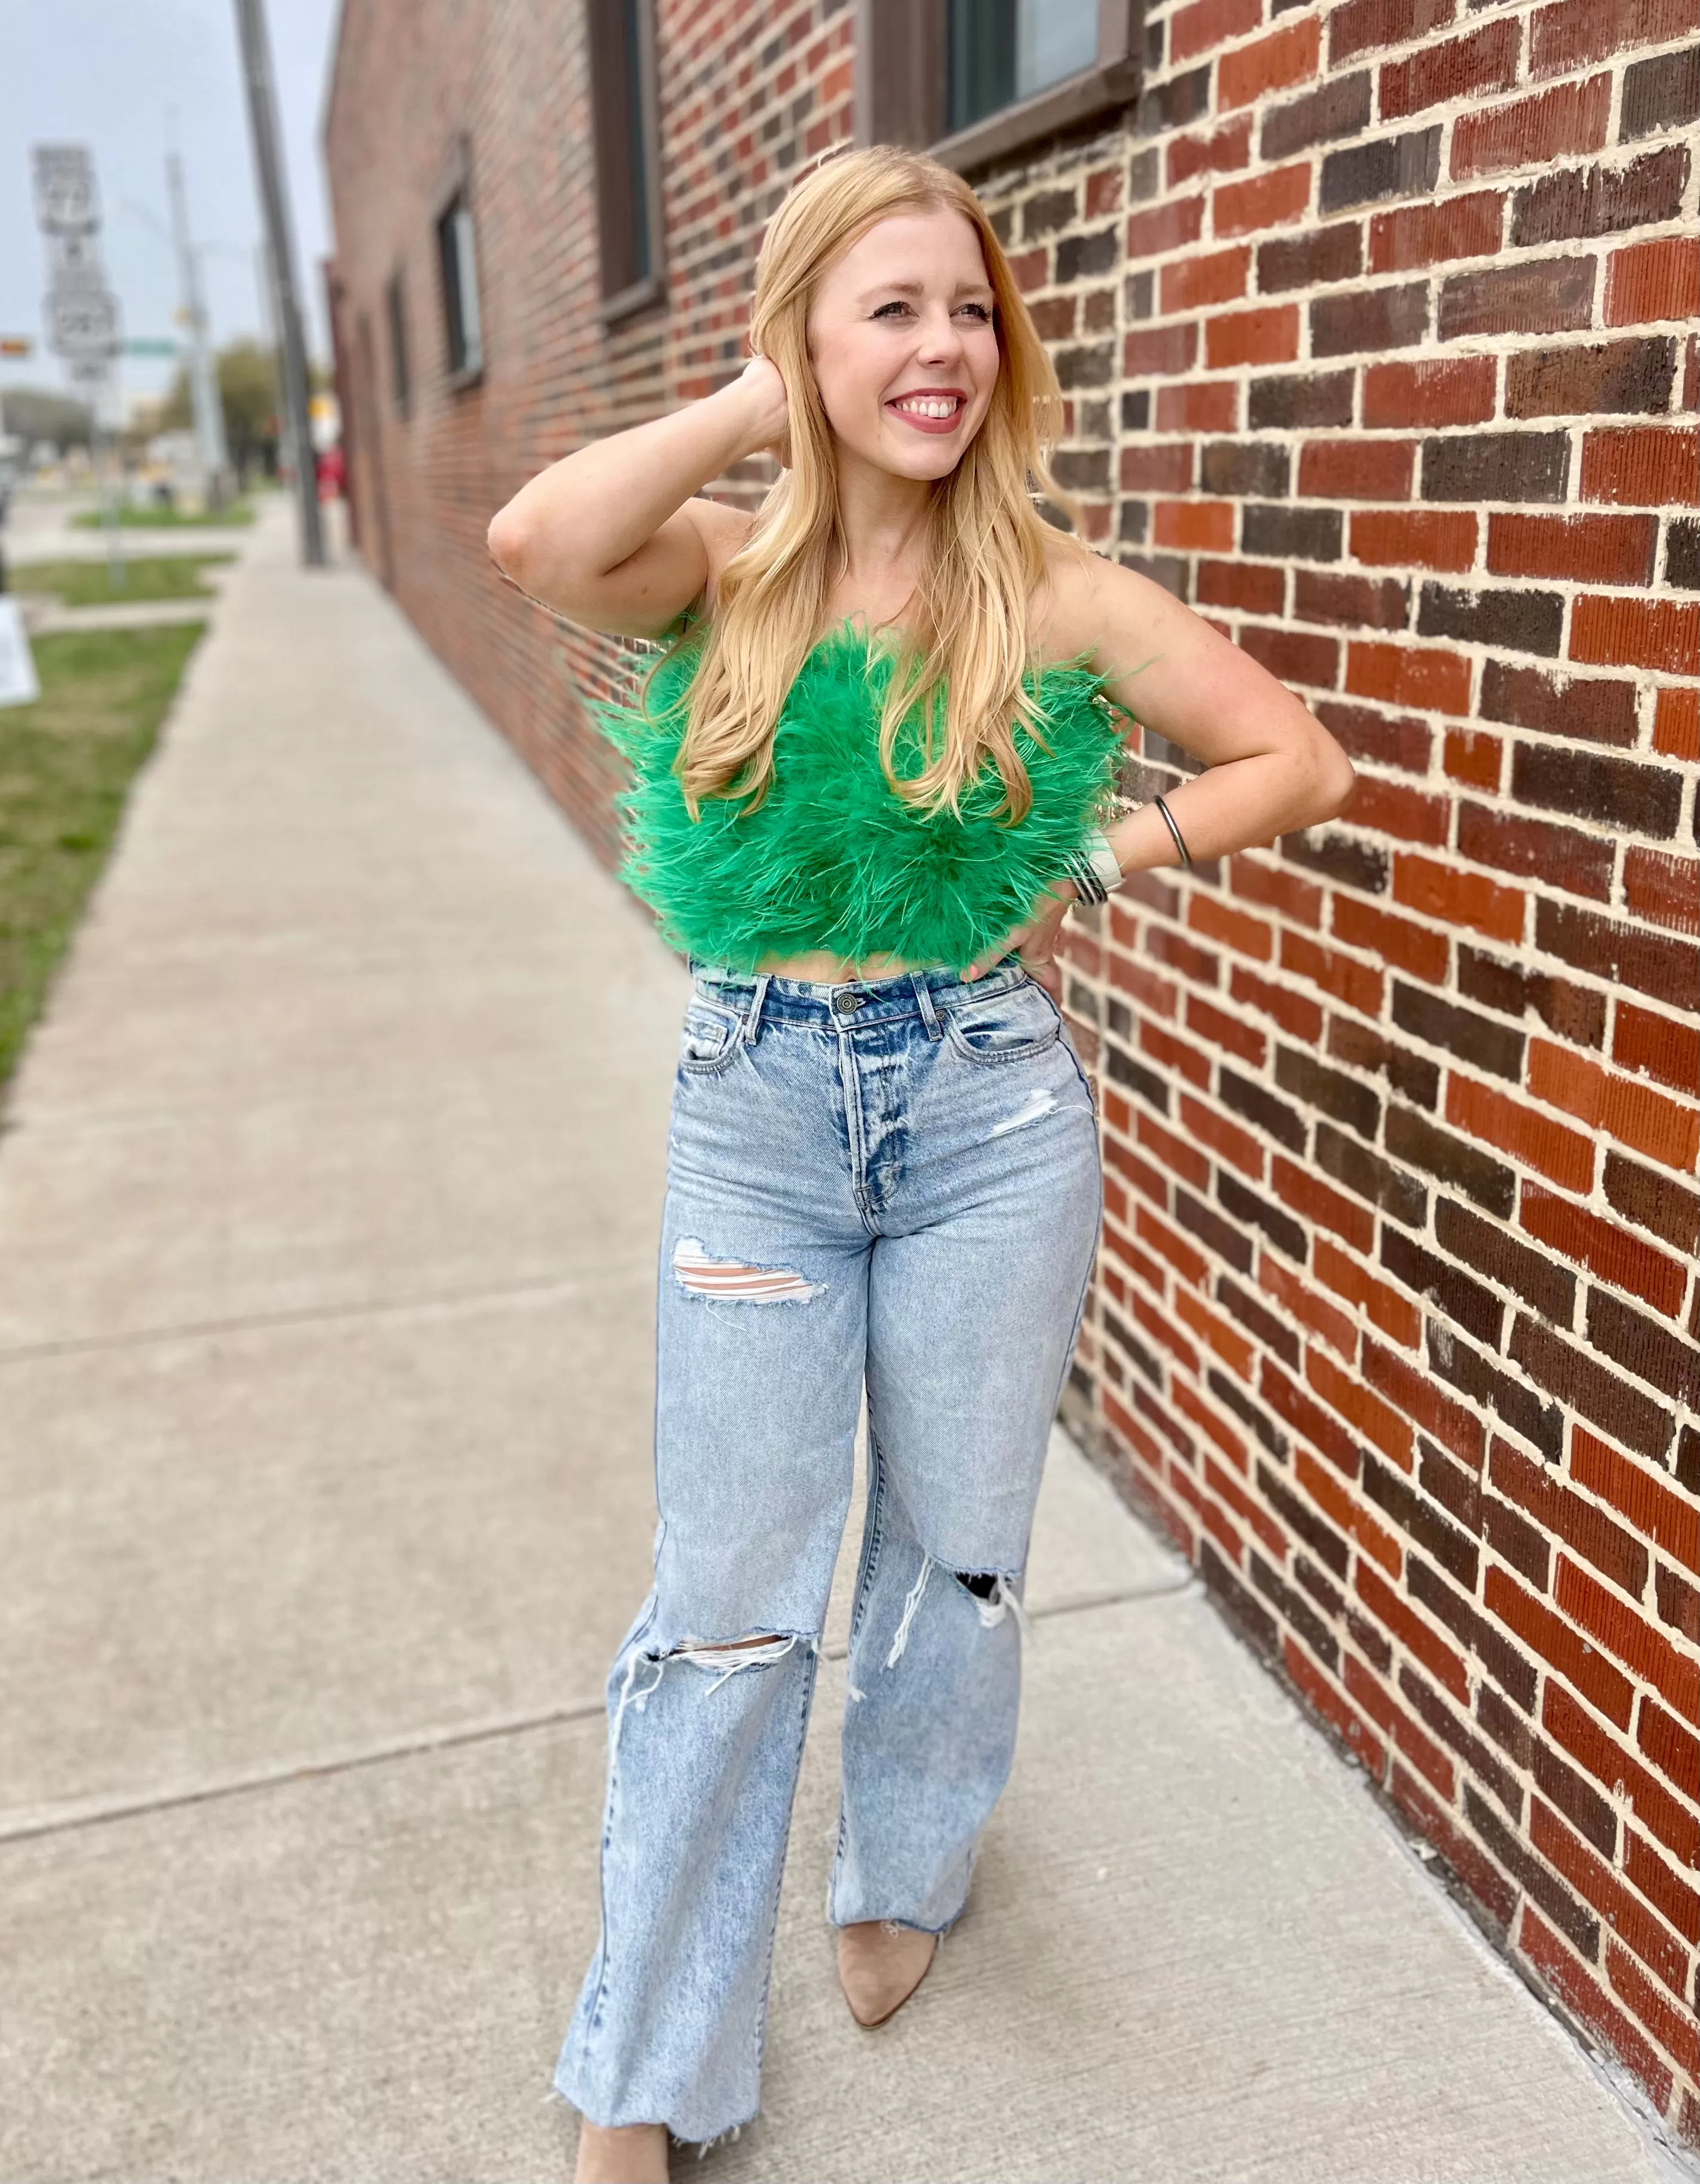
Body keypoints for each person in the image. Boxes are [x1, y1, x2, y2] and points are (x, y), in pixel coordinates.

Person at [488, 145, 1354, 2184]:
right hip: (762, 1115)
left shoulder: (1050, 589)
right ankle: (649, 2056)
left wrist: (1091, 856)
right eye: (891, 309)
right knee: (724, 1600)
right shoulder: (718, 565)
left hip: (987, 1115)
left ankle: (904, 1859)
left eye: (968, 310)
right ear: (806, 336)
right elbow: (537, 534)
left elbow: (1292, 755)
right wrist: (744, 408)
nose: (945, 348)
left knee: (953, 1549)